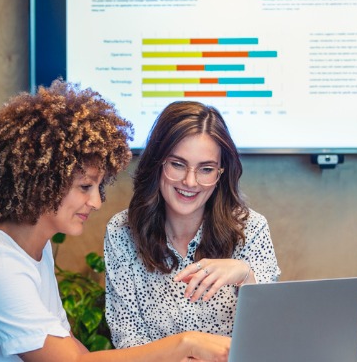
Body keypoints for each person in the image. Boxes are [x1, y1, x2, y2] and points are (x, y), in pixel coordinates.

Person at [0, 81, 231, 362]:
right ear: (43, 181)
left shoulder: (33, 252)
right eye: (85, 187)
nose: (96, 202)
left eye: (98, 187)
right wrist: (186, 344)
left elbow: (76, 352)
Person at [104, 101, 281, 348]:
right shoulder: (122, 232)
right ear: (157, 163)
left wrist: (246, 275)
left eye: (206, 169)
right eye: (177, 164)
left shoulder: (251, 229)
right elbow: (128, 338)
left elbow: (269, 336)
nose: (190, 181)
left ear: (220, 173)